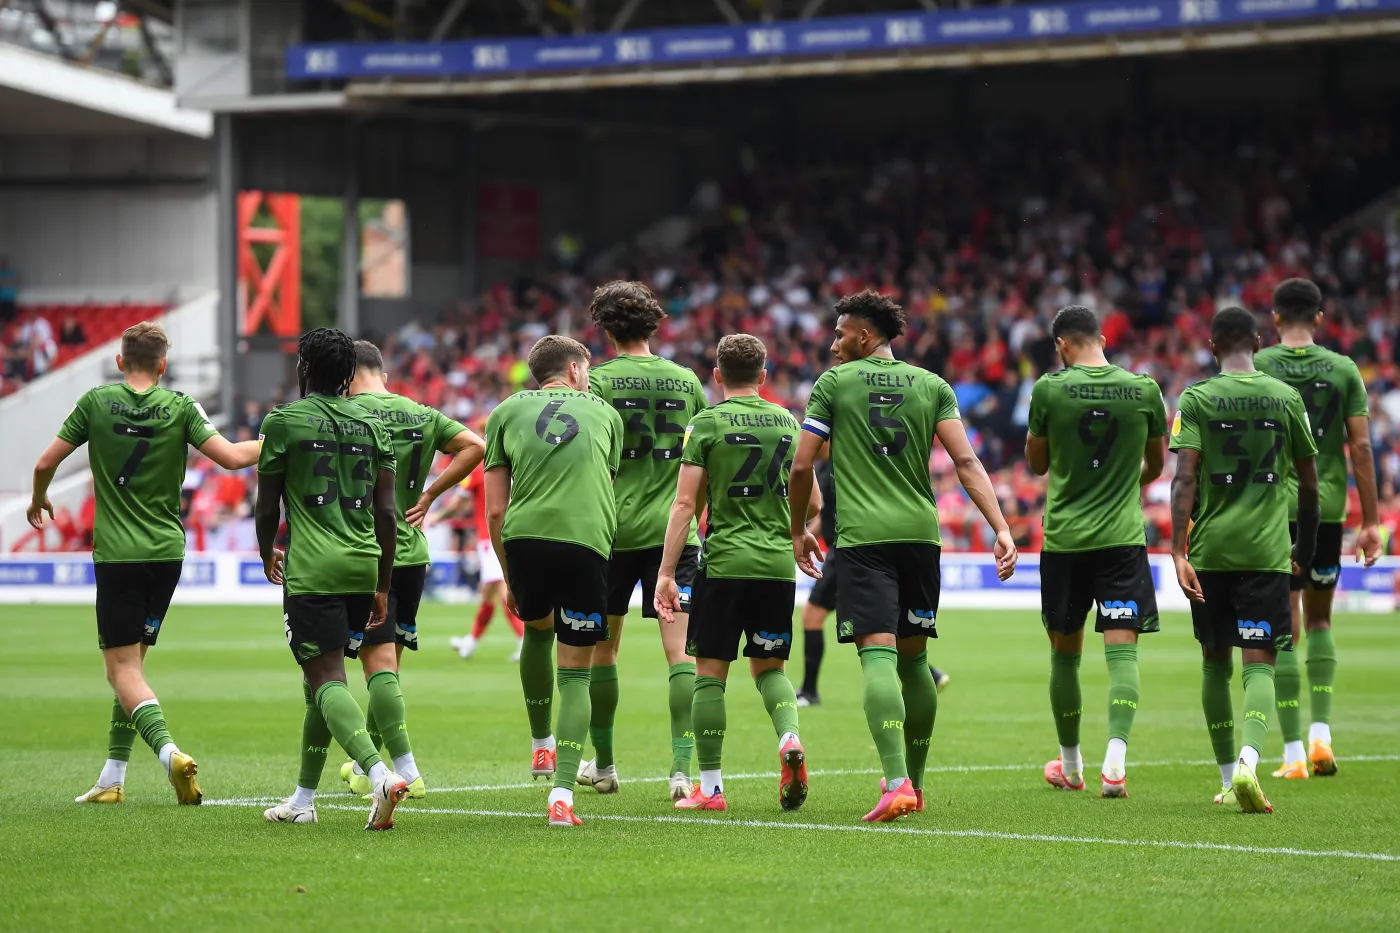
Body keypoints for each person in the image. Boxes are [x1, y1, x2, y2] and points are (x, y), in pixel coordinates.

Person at [788, 290, 1018, 823]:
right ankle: (915, 780)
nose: (833, 342)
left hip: (865, 539)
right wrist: (1001, 527)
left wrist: (800, 529)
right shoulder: (932, 385)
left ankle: (895, 783)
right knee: (915, 659)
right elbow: (965, 460)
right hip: (920, 536)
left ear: (866, 336)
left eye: (842, 333)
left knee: (877, 654)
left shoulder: (833, 385)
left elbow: (802, 468)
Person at [26, 321, 260, 806]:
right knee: (134, 667)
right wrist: (285, 438)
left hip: (118, 554)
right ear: (163, 365)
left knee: (121, 671)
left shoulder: (94, 402)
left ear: (119, 361)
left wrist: (38, 497)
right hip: (167, 555)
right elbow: (235, 458)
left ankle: (169, 753)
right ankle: (112, 779)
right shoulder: (180, 407)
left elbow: (44, 463)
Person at [255, 327, 409, 828]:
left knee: (326, 679)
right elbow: (387, 513)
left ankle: (380, 776)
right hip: (365, 562)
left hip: (314, 567)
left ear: (303, 370)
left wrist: (266, 552)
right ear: (349, 374)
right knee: (318, 687)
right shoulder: (372, 426)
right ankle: (302, 800)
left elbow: (266, 503)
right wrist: (383, 583)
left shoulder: (283, 422)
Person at [655, 335, 815, 812]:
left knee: (709, 674)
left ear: (717, 374)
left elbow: (685, 503)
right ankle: (789, 737)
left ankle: (711, 788)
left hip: (724, 562)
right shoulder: (788, 422)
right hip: (775, 566)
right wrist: (799, 532)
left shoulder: (704, 424)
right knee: (771, 669)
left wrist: (666, 571)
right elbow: (811, 494)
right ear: (764, 376)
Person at [1169, 307, 1319, 814]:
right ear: (1258, 342)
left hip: (1211, 548)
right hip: (1266, 551)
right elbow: (1310, 483)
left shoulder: (1195, 398)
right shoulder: (1286, 397)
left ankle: (1228, 775)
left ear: (1211, 347)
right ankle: (1252, 762)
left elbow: (1184, 478)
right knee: (1260, 665)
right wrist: (1305, 547)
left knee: (1214, 661)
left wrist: (1176, 549)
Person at [1024, 305, 1167, 797]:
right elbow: (1155, 465)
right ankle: (1115, 764)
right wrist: (1122, 483)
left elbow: (1037, 464)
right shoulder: (1145, 390)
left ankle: (1070, 765)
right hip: (1122, 539)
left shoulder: (1048, 389)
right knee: (1122, 652)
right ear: (1102, 337)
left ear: (1062, 344)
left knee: (1065, 655)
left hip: (1065, 538)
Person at [336, 340, 486, 799]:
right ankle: (365, 773)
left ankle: (406, 771)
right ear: (382, 371)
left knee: (376, 669)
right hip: (412, 554)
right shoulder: (420, 412)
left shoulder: (343, 415)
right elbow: (473, 446)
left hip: (365, 553)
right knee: (389, 670)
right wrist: (430, 494)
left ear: (347, 378)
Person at [485, 334, 623, 827]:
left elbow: (495, 507)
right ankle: (562, 795)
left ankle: (541, 744)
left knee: (537, 629)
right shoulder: (605, 414)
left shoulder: (504, 411)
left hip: (524, 540)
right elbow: (603, 486)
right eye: (586, 368)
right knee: (577, 673)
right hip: (585, 543)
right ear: (572, 369)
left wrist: (506, 570)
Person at [581, 281, 709, 800]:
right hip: (674, 537)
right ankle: (681, 771)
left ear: (606, 330)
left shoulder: (596, 383)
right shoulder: (687, 382)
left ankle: (606, 765)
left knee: (602, 653)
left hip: (610, 533)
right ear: (654, 325)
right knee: (680, 655)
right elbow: (704, 461)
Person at [1255, 278, 1381, 779]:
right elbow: (1363, 449)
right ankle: (1322, 737)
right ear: (1321, 318)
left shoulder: (1259, 367)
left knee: (1284, 625)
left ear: (1276, 318)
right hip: (1327, 509)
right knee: (1322, 621)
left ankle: (1290, 755)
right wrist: (1370, 521)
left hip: (1273, 512)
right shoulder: (1344, 369)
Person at [798, 447, 950, 708]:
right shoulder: (828, 463)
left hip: (849, 550)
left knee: (817, 616)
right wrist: (800, 536)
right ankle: (930, 672)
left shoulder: (841, 460)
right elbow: (826, 517)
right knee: (885, 621)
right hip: (846, 548)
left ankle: (810, 691)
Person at [444, 460, 526, 662]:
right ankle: (470, 642)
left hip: (491, 538)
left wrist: (436, 515)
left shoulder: (480, 468)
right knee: (488, 596)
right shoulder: (517, 463)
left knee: (503, 590)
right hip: (515, 533)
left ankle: (523, 639)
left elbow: (457, 502)